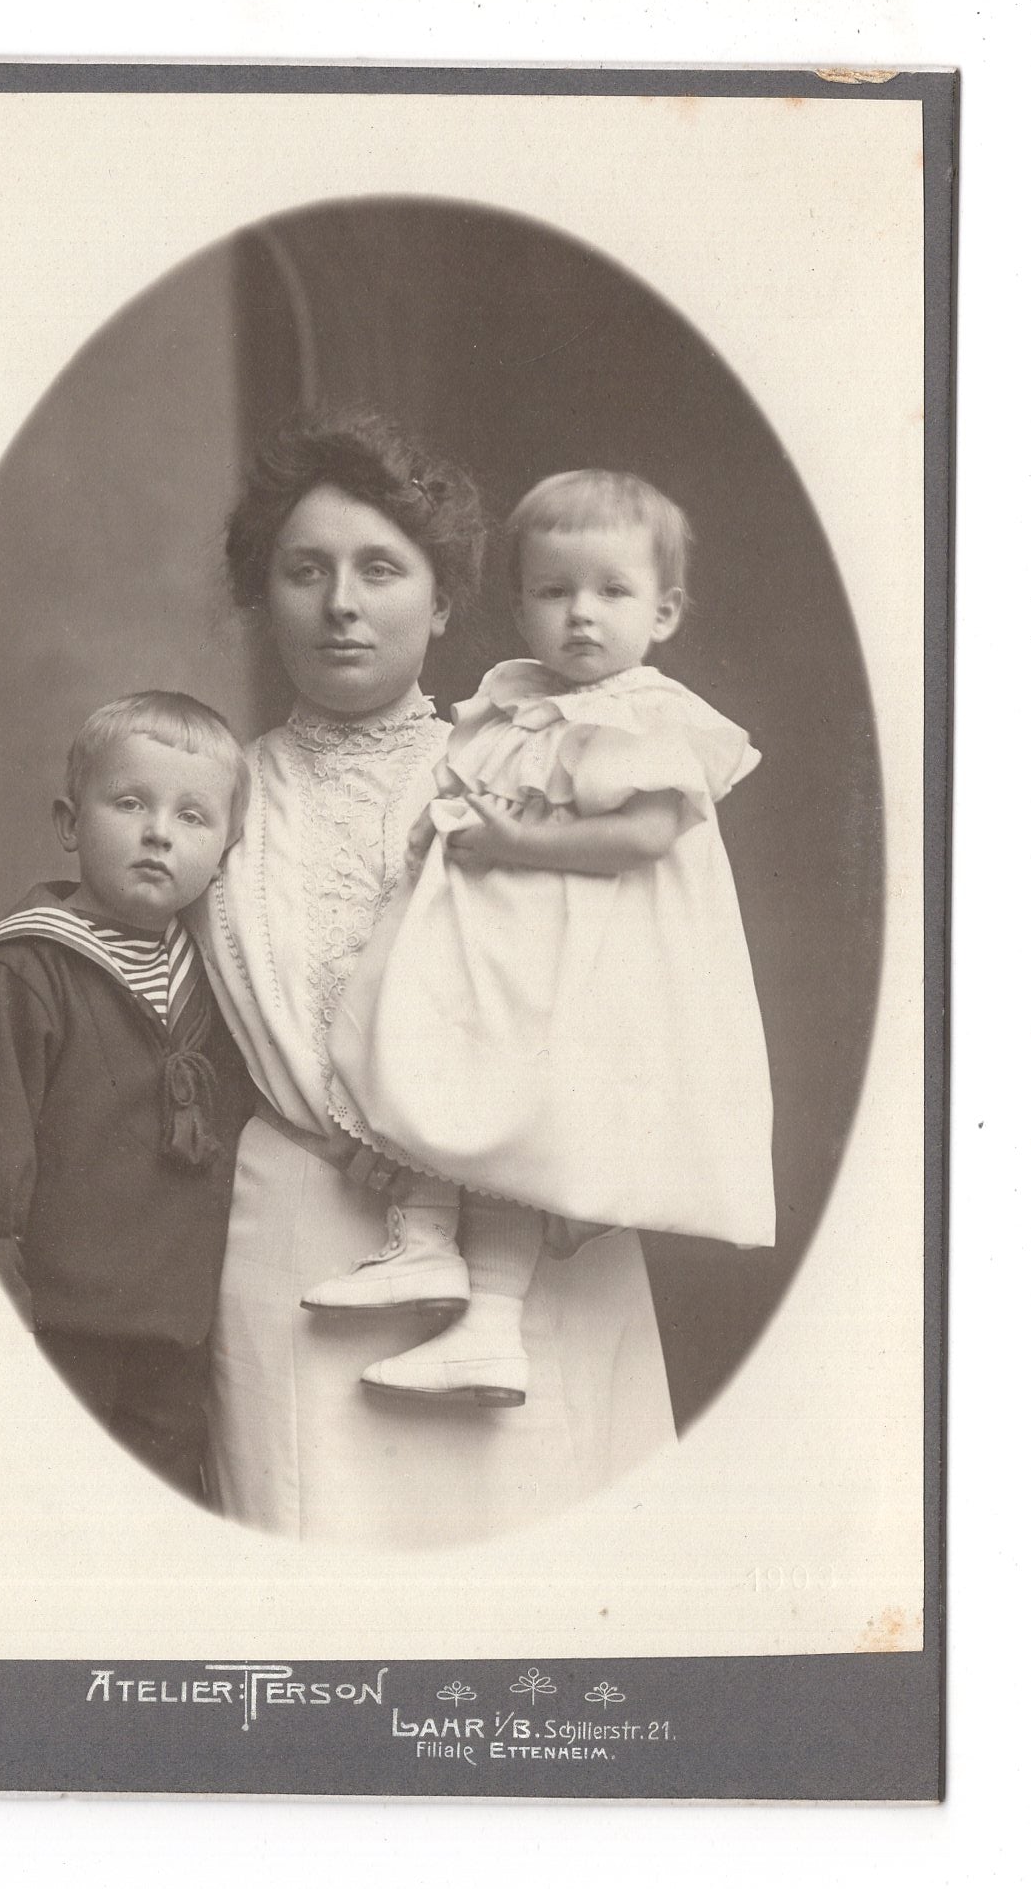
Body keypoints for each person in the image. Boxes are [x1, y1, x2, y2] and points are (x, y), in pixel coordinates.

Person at [188, 416, 677, 1546]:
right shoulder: (215, 793)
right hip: (301, 1227)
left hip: (519, 1210)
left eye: (379, 570)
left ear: (445, 601)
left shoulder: (527, 771)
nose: (339, 605)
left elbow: (635, 978)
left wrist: (560, 1159)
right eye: (303, 571)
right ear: (264, 597)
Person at [321, 470, 776, 1405]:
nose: (580, 616)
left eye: (612, 592)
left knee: (521, 1118)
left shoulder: (644, 713)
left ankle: (489, 1323)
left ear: (665, 610)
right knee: (428, 1052)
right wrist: (437, 822)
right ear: (520, 605)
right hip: (508, 946)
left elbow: (645, 836)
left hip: (589, 966)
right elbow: (470, 787)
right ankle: (426, 1244)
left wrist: (518, 839)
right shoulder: (511, 700)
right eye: (553, 591)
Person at [0, 691, 257, 1501]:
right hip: (54, 1338)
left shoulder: (219, 981)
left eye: (193, 816)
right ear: (71, 823)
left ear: (225, 852)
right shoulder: (23, 973)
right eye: (130, 802)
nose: (158, 832)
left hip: (176, 1340)